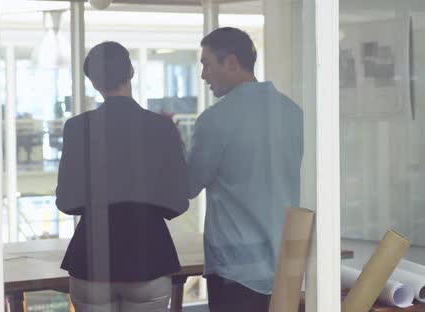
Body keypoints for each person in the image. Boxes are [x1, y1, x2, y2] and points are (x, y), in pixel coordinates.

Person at [55, 41, 189, 312]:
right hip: (149, 255)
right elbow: (179, 202)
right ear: (131, 71)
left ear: (93, 83)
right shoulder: (162, 127)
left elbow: (66, 201)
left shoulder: (77, 128)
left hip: (91, 258)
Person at [187, 27, 303, 311]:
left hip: (235, 272)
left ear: (231, 62)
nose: (203, 75)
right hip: (285, 265)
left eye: (206, 63)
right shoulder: (293, 113)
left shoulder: (215, 120)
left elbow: (188, 186)